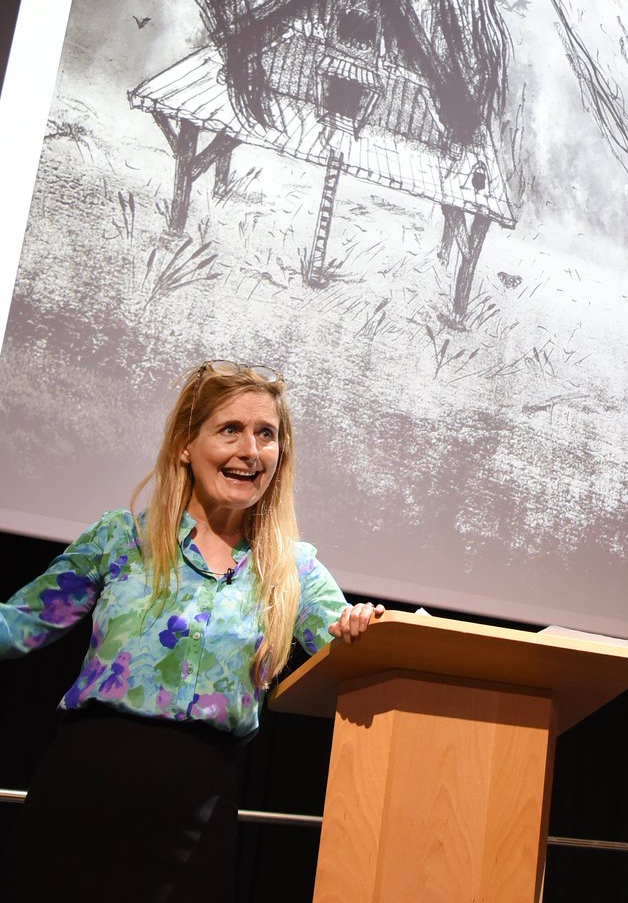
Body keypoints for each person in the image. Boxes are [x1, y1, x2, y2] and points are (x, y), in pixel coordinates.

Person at [0, 360, 381, 902]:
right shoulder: (122, 538)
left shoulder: (292, 569)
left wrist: (361, 627)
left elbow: (342, 646)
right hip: (84, 786)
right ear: (185, 444)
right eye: (231, 430)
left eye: (266, 435)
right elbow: (17, 625)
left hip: (198, 806)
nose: (251, 450)